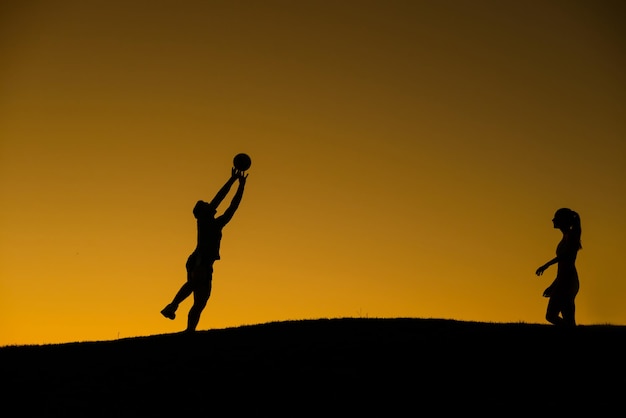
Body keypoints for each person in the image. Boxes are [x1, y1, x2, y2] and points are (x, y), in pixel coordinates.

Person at [161, 167, 248, 332]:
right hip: (199, 259)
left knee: (201, 300)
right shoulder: (204, 220)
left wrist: (241, 185)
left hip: (204, 262)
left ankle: (189, 330)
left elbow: (233, 206)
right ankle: (172, 306)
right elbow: (220, 198)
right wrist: (233, 180)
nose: (211, 205)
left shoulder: (216, 224)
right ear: (202, 212)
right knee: (194, 283)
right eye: (207, 205)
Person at [535, 208, 582, 326]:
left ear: (563, 220)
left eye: (556, 218)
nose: (553, 220)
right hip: (565, 280)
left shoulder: (570, 236)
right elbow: (563, 269)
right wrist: (553, 285)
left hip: (567, 281)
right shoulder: (567, 236)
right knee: (568, 319)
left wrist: (545, 266)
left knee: (551, 316)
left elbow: (564, 257)